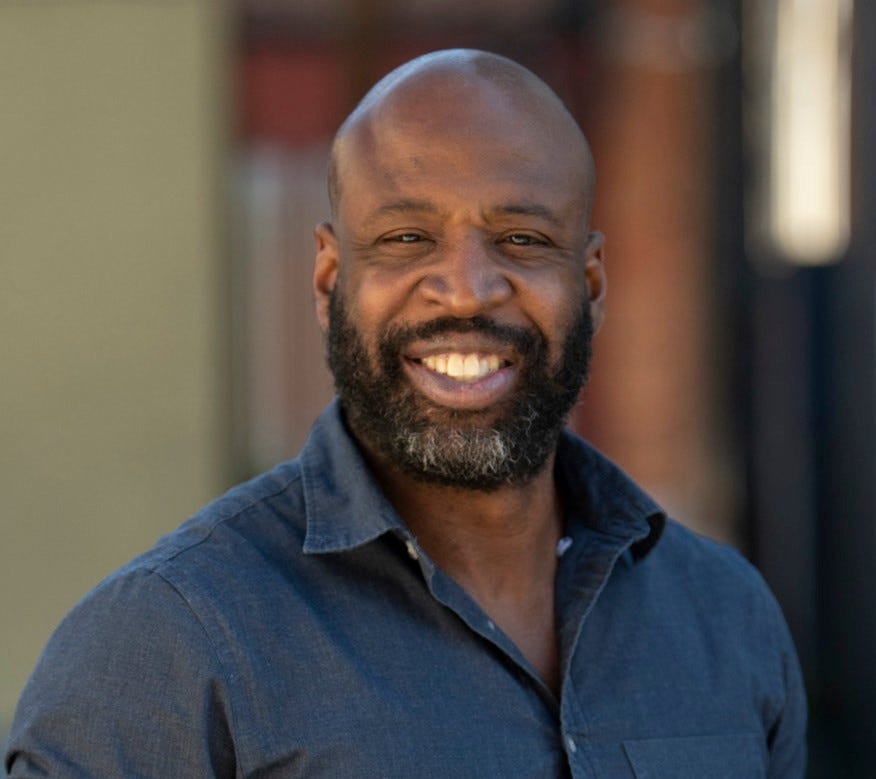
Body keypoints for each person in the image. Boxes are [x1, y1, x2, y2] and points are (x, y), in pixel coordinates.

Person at [5, 49, 806, 778]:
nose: (466, 290)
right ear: (329, 281)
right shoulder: (170, 643)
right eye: (407, 237)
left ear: (590, 284)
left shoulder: (726, 618)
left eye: (522, 239)